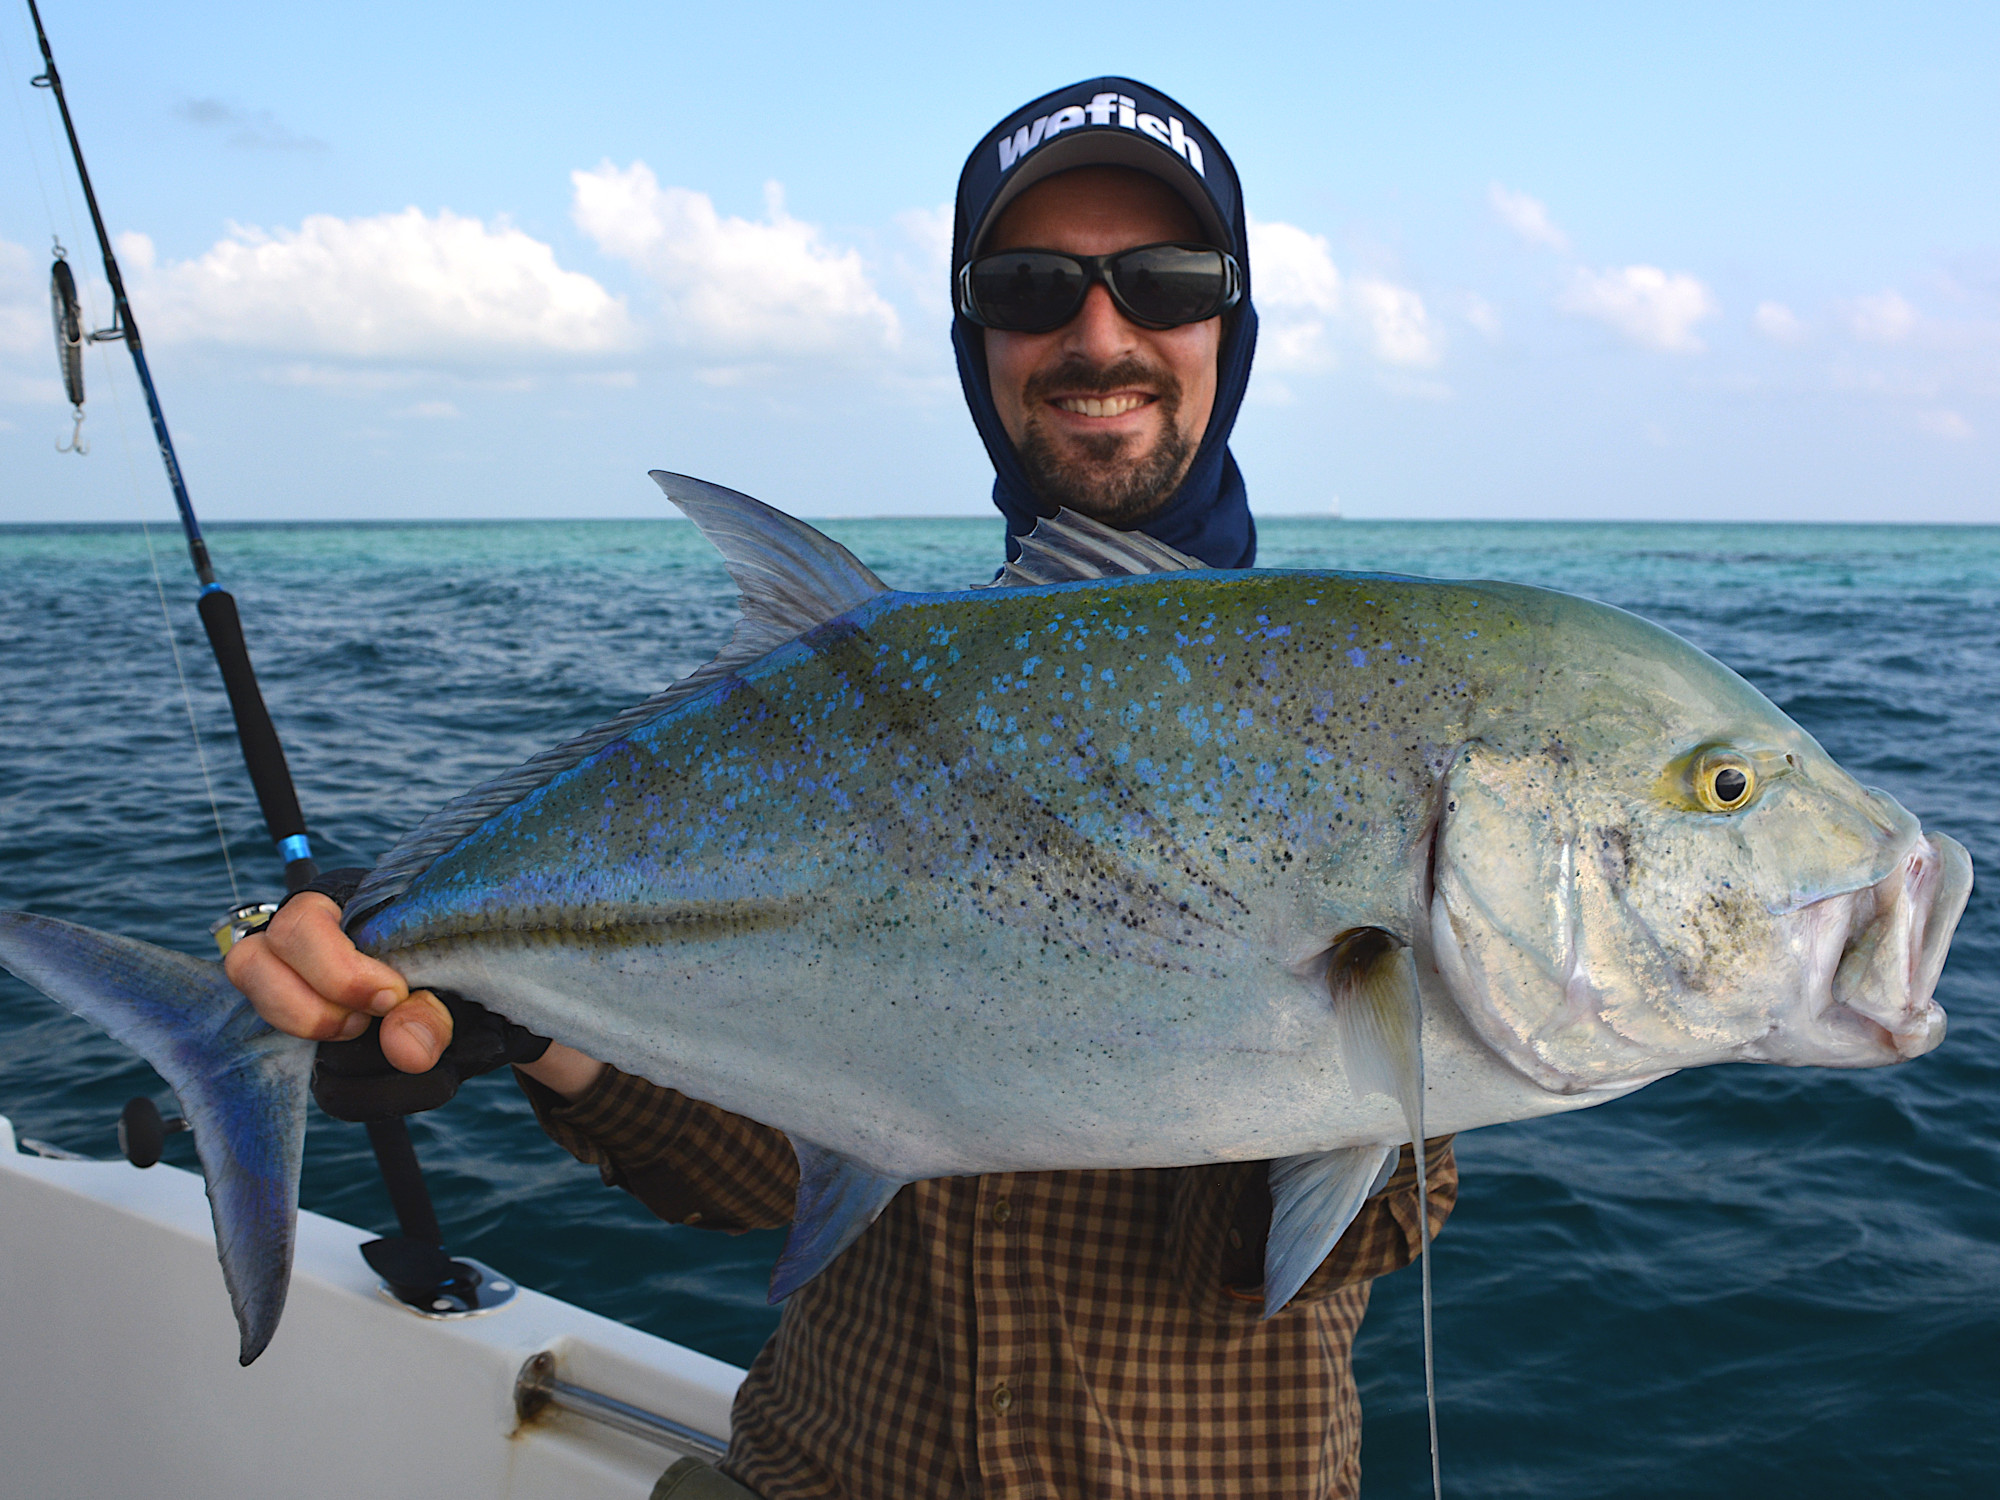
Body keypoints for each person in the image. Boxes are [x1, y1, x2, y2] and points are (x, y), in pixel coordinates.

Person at [228, 77, 1457, 1500]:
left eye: (1164, 280)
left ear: (1227, 331)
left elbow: (1341, 1243)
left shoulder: (1362, 715)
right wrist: (514, 1021)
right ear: (975, 339)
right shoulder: (855, 701)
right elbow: (743, 1179)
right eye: (1030, 284)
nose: (1098, 331)